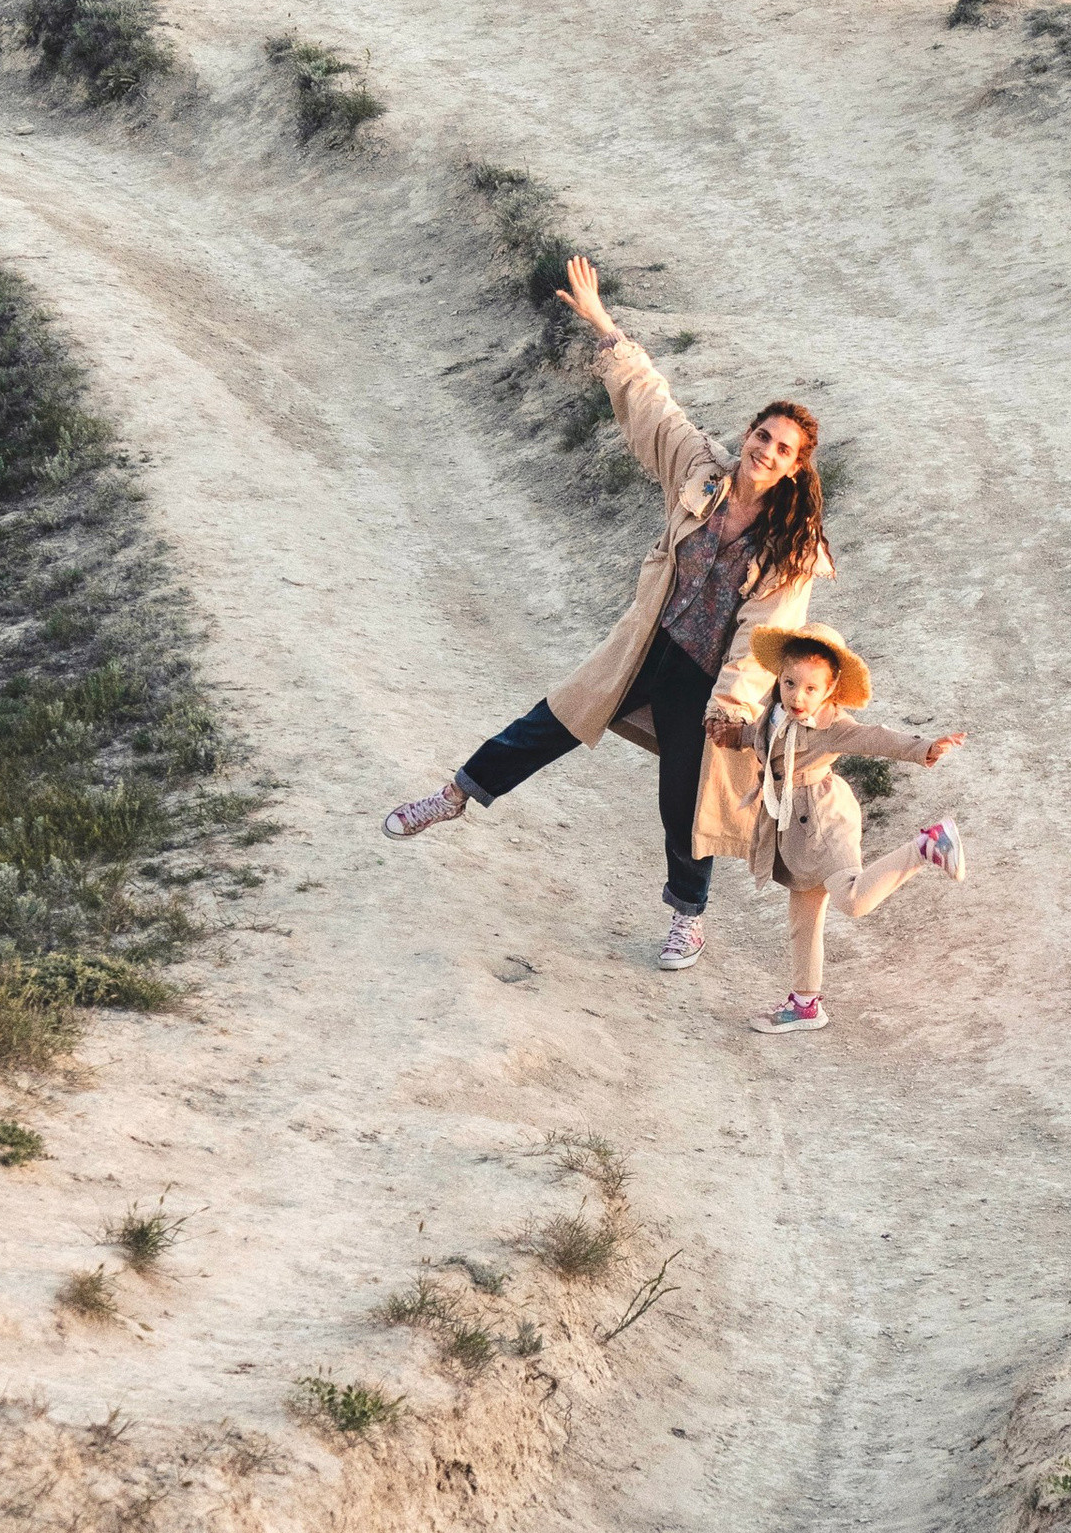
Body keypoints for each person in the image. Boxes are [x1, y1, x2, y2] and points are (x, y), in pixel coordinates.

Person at [381, 254, 833, 970]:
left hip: (705, 678)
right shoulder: (702, 472)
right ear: (747, 434)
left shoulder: (791, 549)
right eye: (761, 435)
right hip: (646, 642)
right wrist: (601, 324)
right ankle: (453, 795)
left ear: (795, 467)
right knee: (554, 719)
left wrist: (729, 702)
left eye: (782, 449)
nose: (765, 451)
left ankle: (688, 920)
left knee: (684, 799)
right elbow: (655, 405)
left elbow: (763, 636)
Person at [706, 623, 964, 1035]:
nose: (797, 696)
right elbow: (759, 736)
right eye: (790, 683)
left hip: (824, 817)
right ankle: (805, 1004)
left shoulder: (834, 726)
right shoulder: (774, 711)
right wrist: (733, 734)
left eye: (811, 689)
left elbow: (875, 738)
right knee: (802, 917)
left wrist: (923, 748)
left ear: (830, 689)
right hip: (791, 825)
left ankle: (926, 846)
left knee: (853, 899)